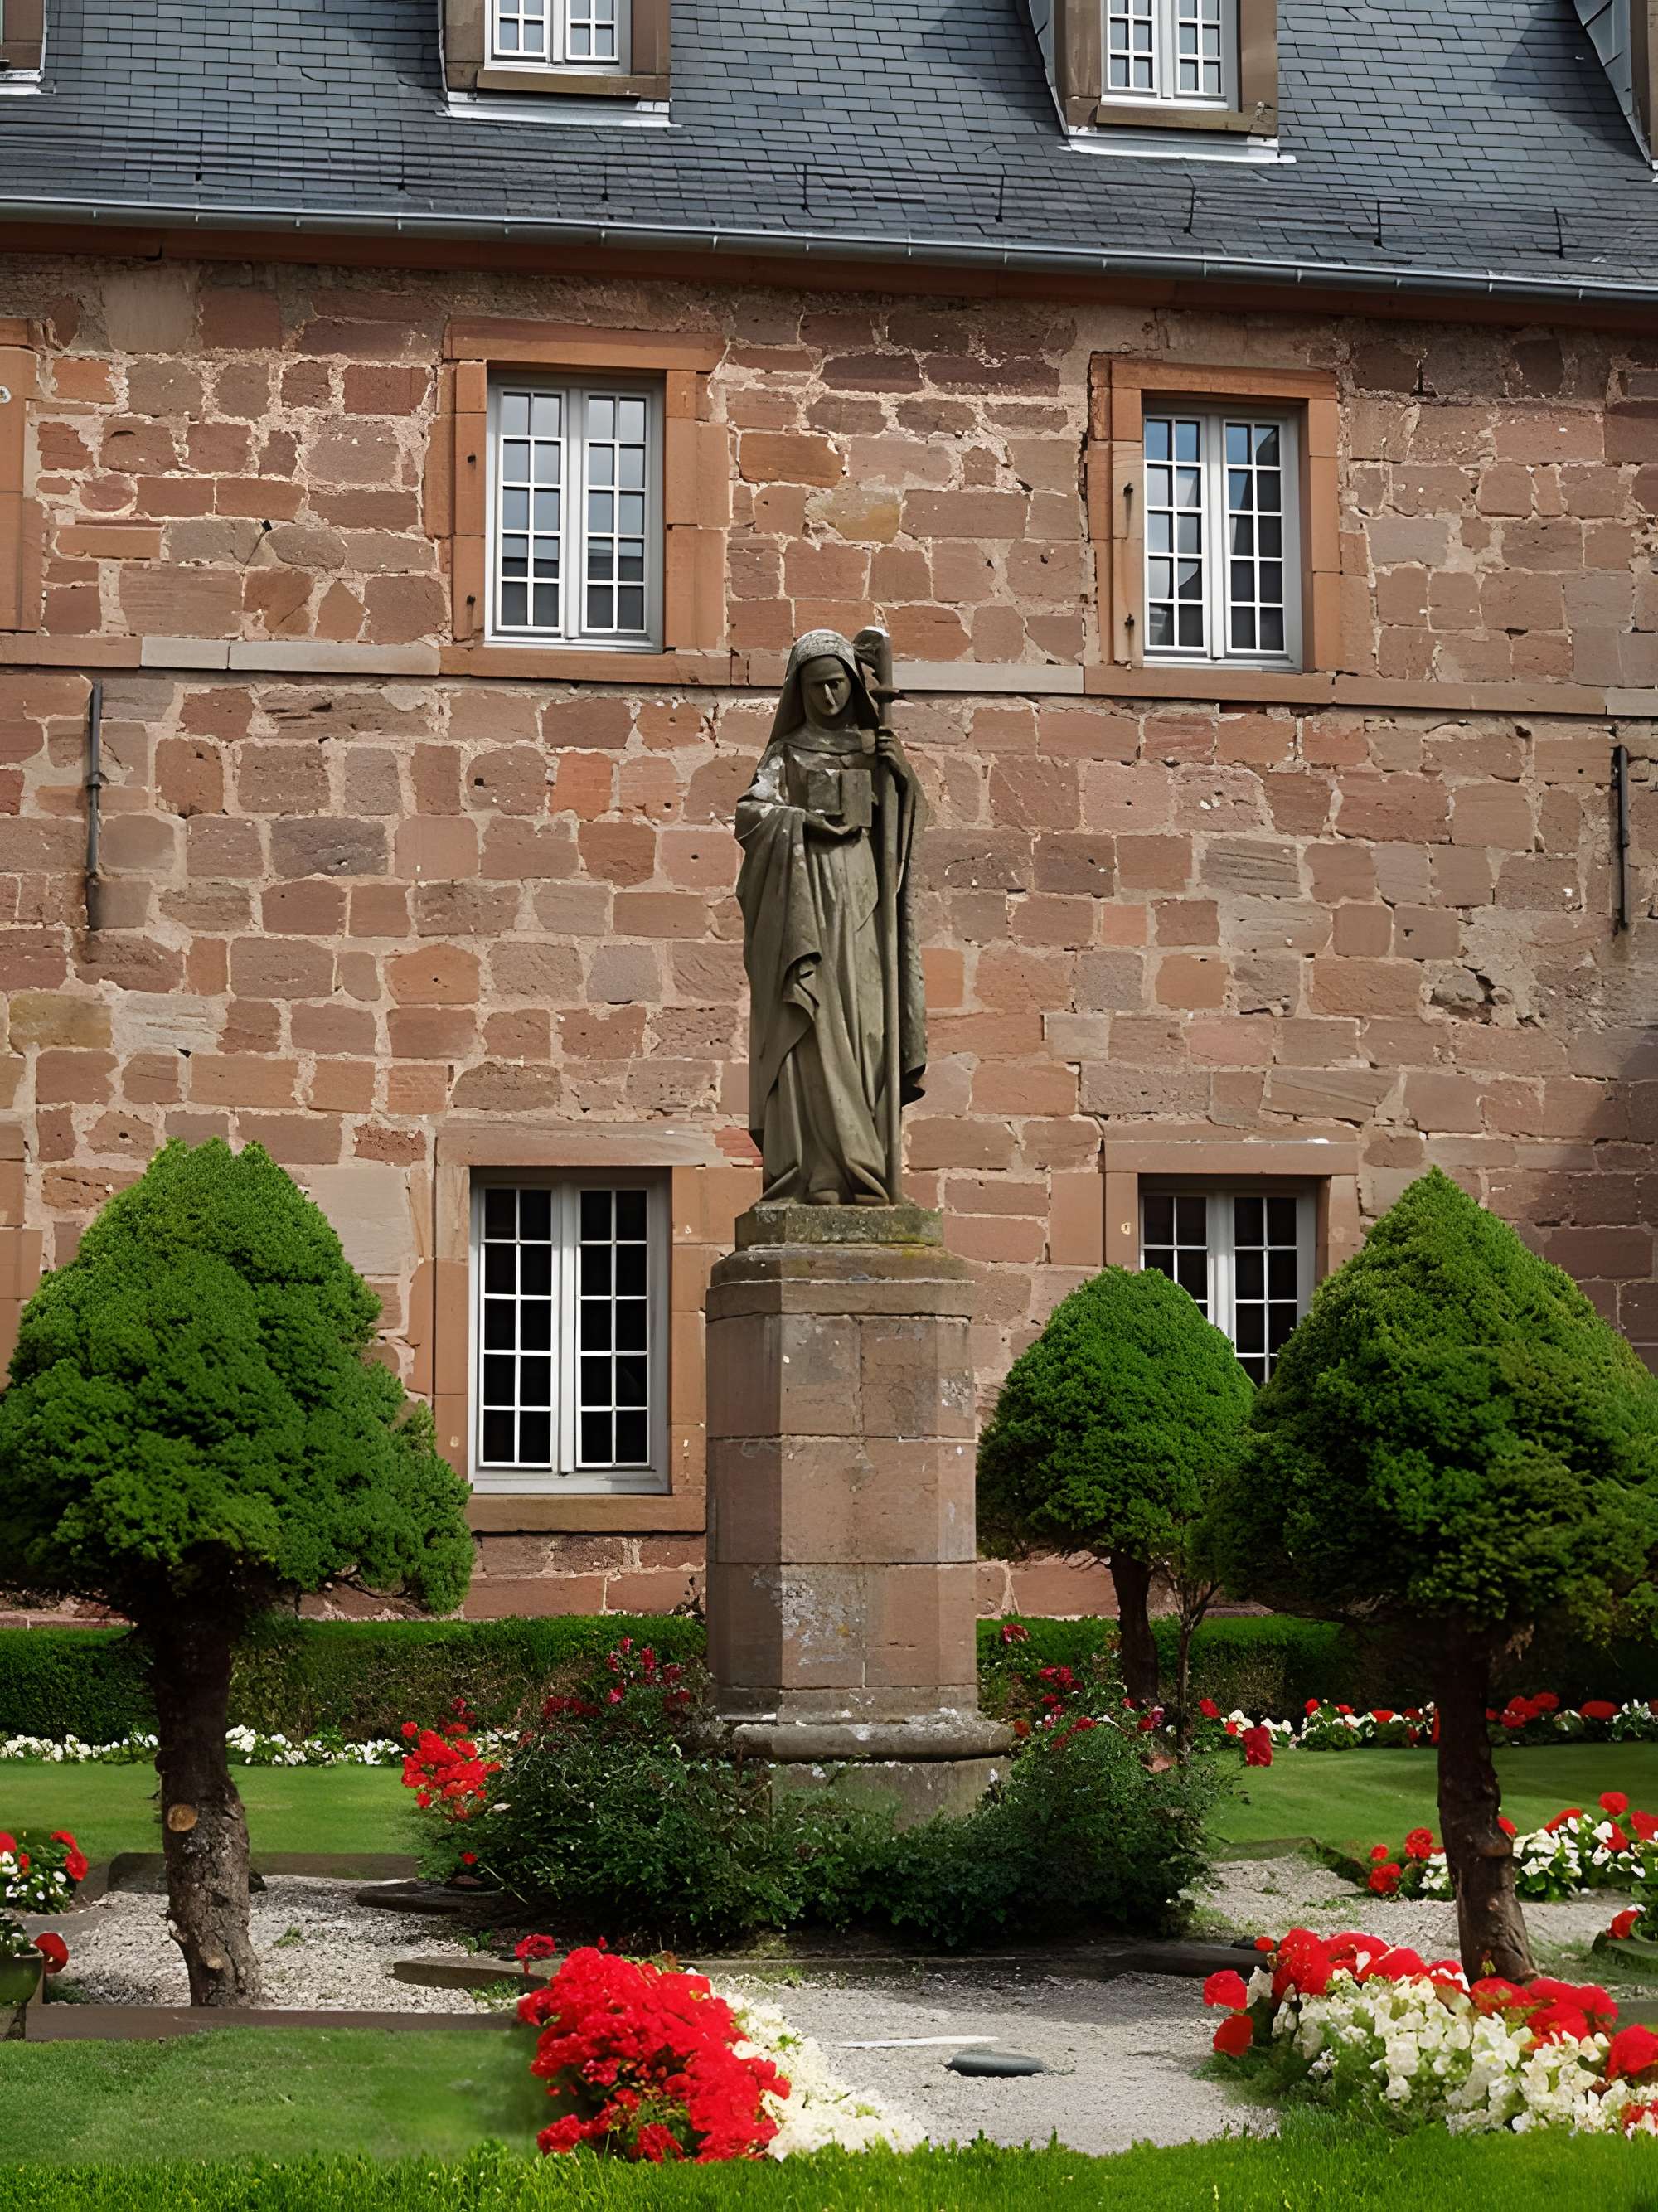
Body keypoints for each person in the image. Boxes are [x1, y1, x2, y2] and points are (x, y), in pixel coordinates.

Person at [734, 629, 927, 1205]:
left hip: (863, 897)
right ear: (800, 690)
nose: (828, 697)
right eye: (816, 686)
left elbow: (906, 832)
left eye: (837, 683)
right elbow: (751, 814)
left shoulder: (874, 747)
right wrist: (803, 822)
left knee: (869, 1024)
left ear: (852, 685)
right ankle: (818, 1172)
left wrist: (901, 778)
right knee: (813, 1022)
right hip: (805, 892)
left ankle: (867, 1164)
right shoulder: (786, 752)